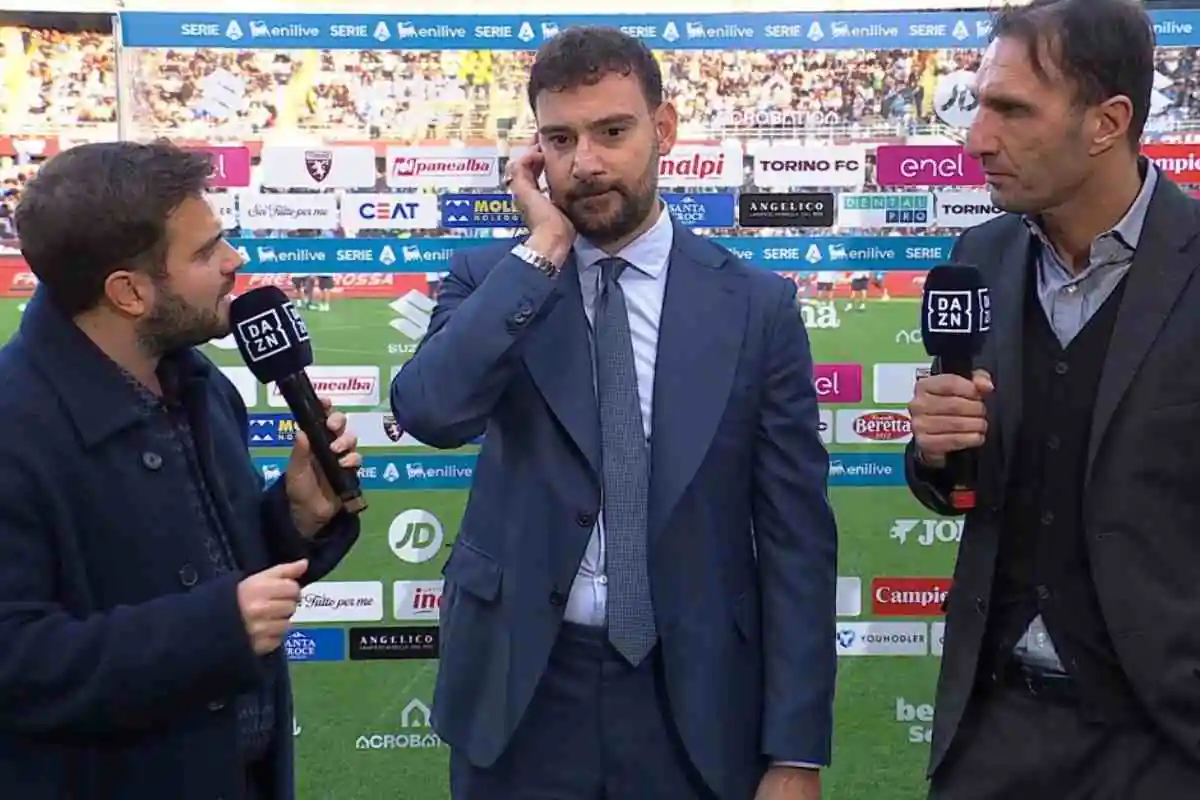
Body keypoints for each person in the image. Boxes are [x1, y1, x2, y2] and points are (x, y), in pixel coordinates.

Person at [391, 25, 836, 800]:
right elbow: (431, 411)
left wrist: (796, 752)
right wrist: (541, 249)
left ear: (664, 129)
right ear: (535, 151)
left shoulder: (757, 307)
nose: (586, 162)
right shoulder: (497, 278)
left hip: (693, 696)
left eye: (612, 132)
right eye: (560, 139)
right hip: (519, 695)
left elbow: (797, 539)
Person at [0, 140, 363, 800]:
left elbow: (220, 563)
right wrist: (214, 631)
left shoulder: (201, 385)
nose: (234, 261)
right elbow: (16, 660)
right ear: (129, 291)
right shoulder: (14, 425)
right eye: (205, 252)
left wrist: (294, 519)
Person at [905, 1, 1200, 797]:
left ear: (1107, 123)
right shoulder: (980, 256)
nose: (976, 139)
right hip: (994, 729)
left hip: (1165, 741)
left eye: (1012, 111)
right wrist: (935, 452)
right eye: (979, 107)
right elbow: (961, 482)